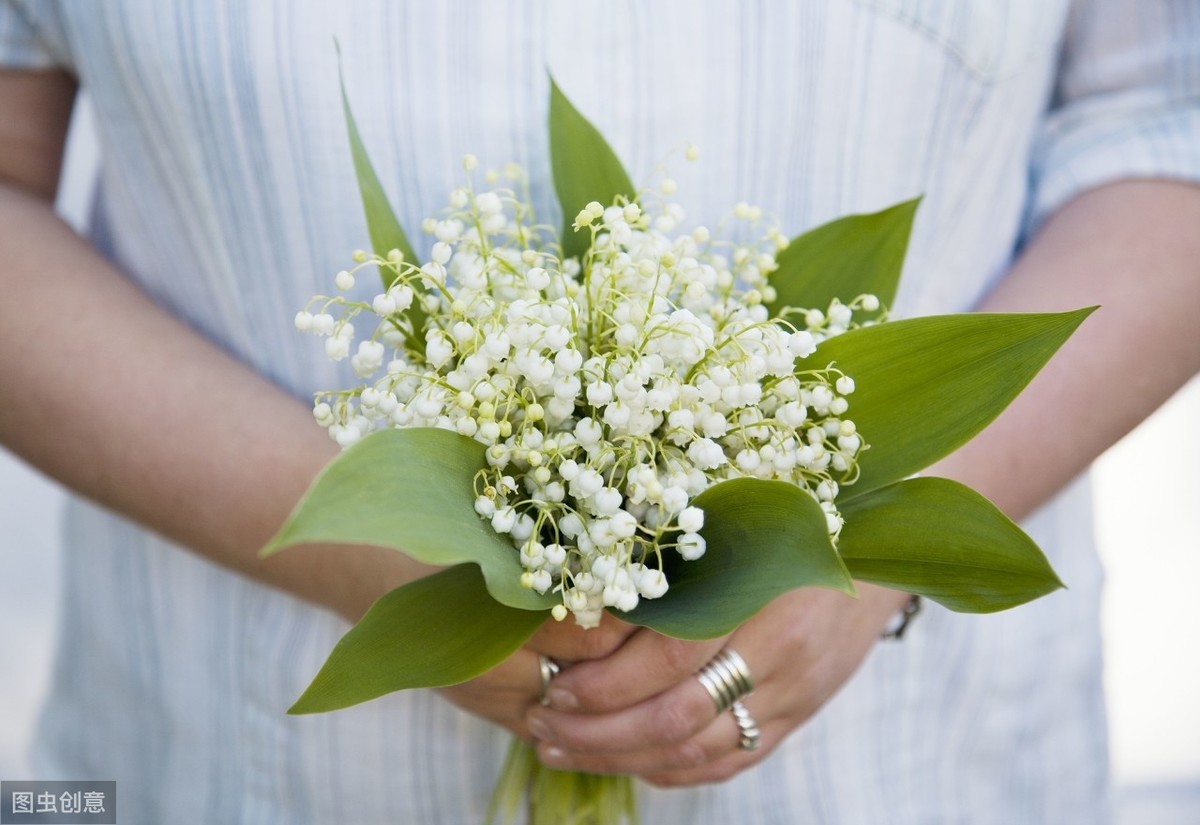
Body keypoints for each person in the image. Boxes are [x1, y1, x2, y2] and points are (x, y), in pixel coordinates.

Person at [1, 1, 1197, 822]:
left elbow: (1167, 129)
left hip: (921, 769)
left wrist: (853, 566)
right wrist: (380, 549)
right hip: (222, 759)